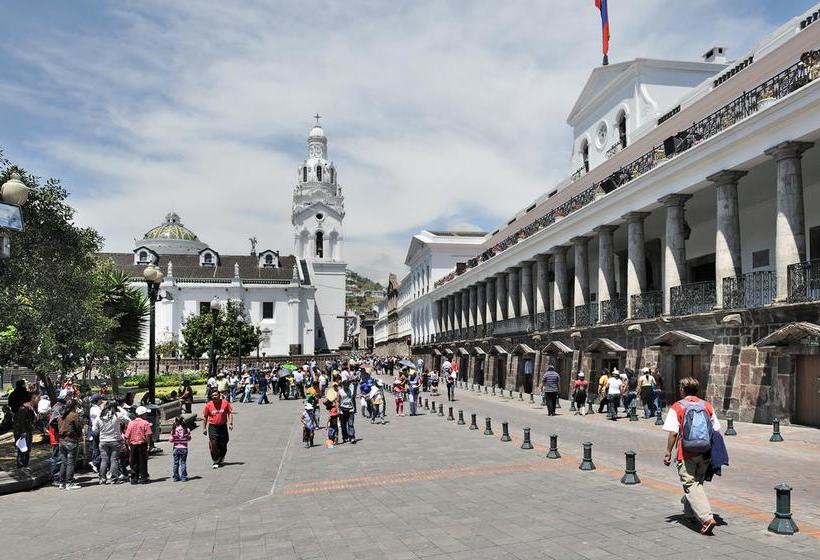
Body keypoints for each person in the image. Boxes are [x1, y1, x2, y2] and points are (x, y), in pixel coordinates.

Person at [662, 377, 721, 535]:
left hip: (686, 452)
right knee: (697, 483)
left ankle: (706, 517)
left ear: (682, 390)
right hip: (705, 453)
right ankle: (689, 514)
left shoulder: (678, 406)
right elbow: (716, 428)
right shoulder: (707, 406)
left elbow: (673, 432)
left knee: (690, 484)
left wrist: (668, 452)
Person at [93, 401, 126, 484]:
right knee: (114, 460)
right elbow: (128, 419)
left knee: (104, 460)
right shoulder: (117, 415)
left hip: (103, 441)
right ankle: (114, 478)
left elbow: (94, 429)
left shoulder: (99, 417)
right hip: (115, 440)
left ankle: (102, 478)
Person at [202, 390, 234, 468]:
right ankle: (216, 461)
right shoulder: (208, 405)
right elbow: (205, 417)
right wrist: (204, 428)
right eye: (213, 395)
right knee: (214, 443)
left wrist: (230, 423)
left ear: (219, 395)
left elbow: (229, 413)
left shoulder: (225, 403)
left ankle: (221, 457)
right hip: (213, 427)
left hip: (223, 426)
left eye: (216, 395)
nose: (214, 397)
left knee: (224, 442)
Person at [57, 400, 84, 489]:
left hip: (62, 441)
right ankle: (69, 482)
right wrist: (80, 435)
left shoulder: (61, 415)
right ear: (74, 406)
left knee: (64, 462)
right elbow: (78, 428)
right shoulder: (74, 415)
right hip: (71, 440)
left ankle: (61, 482)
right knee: (70, 463)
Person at [124, 406, 152, 484]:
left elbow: (127, 435)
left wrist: (128, 444)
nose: (146, 415)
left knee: (134, 462)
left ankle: (134, 478)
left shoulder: (131, 423)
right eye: (146, 413)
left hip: (133, 445)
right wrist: (149, 444)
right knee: (143, 462)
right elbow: (147, 435)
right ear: (143, 414)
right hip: (142, 444)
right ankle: (143, 478)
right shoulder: (145, 423)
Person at [13, 392, 39, 468]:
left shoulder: (33, 407)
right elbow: (20, 421)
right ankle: (21, 466)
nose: (39, 399)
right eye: (37, 398)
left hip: (29, 430)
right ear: (33, 398)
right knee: (22, 449)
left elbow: (35, 419)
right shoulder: (24, 408)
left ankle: (25, 465)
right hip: (22, 432)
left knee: (28, 449)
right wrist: (23, 431)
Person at [169, 416, 191, 481]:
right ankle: (183, 477)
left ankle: (176, 477)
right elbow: (189, 438)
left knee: (176, 463)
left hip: (176, 448)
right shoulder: (186, 429)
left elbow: (171, 440)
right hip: (184, 448)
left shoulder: (173, 430)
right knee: (183, 462)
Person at [339, 380, 356, 444]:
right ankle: (345, 437)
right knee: (343, 425)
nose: (346, 386)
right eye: (345, 385)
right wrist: (338, 410)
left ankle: (352, 437)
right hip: (342, 410)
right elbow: (338, 401)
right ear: (343, 385)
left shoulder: (351, 391)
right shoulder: (340, 392)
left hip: (350, 409)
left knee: (350, 424)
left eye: (347, 385)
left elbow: (353, 400)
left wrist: (354, 409)